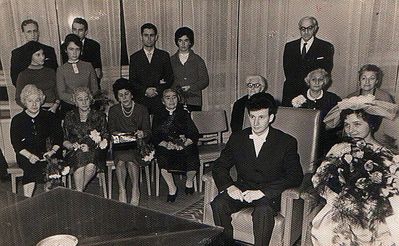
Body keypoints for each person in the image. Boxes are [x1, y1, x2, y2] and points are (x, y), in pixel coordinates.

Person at [211, 92, 303, 245]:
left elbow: (295, 175)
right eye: (252, 117)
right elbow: (219, 165)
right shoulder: (237, 138)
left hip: (268, 193)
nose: (256, 122)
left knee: (263, 211)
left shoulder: (286, 142)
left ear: (271, 118)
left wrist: (262, 192)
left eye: (261, 117)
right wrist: (229, 186)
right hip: (243, 188)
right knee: (218, 203)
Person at [312, 96, 399, 246]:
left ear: (371, 124)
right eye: (347, 125)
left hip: (376, 207)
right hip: (341, 204)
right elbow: (318, 178)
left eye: (357, 124)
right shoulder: (339, 150)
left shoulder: (386, 154)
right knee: (327, 231)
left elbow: (394, 186)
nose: (351, 130)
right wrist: (334, 197)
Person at [10, 84, 63, 197]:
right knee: (30, 168)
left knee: (52, 167)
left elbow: (59, 138)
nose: (34, 104)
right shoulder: (17, 120)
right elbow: (17, 144)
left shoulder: (50, 117)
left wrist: (52, 152)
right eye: (30, 101)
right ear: (24, 102)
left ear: (41, 101)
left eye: (37, 100)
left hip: (48, 152)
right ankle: (28, 201)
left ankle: (51, 200)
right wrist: (30, 156)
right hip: (26, 154)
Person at [152, 89, 200, 202]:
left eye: (174, 97)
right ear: (163, 101)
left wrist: (185, 143)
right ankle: (172, 188)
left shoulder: (183, 113)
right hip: (166, 145)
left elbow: (193, 132)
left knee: (192, 153)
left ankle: (189, 181)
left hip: (183, 144)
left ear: (178, 99)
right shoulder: (158, 115)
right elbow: (155, 134)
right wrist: (166, 144)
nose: (171, 100)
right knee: (162, 156)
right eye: (167, 98)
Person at [108, 78, 151, 205]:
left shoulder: (141, 109)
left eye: (126, 94)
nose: (124, 97)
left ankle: (135, 190)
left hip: (138, 144)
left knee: (132, 161)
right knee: (120, 162)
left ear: (132, 94)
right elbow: (111, 129)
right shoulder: (114, 110)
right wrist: (117, 135)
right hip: (120, 143)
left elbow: (148, 130)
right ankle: (122, 190)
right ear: (117, 97)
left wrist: (142, 133)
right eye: (120, 95)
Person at [63, 87, 109, 192]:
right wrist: (72, 145)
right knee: (79, 156)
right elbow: (65, 140)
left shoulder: (99, 115)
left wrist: (92, 146)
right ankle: (79, 192)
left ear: (90, 100)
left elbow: (105, 137)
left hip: (95, 150)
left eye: (86, 99)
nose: (84, 102)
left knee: (91, 166)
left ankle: (78, 192)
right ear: (75, 101)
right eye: (80, 99)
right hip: (75, 151)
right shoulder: (69, 116)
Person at [282, 16, 334, 106]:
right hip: (291, 92)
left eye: (309, 28)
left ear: (315, 28)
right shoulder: (290, 47)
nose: (306, 32)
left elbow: (325, 73)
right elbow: (288, 72)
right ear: (299, 29)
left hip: (313, 93)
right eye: (303, 28)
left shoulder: (325, 47)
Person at [291, 68, 341, 155]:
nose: (317, 82)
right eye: (313, 79)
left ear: (324, 82)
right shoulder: (298, 99)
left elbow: (338, 121)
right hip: (304, 140)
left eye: (320, 79)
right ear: (308, 81)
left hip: (326, 142)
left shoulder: (332, 99)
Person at [129, 23, 174, 114]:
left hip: (159, 100)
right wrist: (145, 90)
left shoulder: (164, 56)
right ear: (141, 37)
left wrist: (157, 90)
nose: (149, 39)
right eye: (146, 35)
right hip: (141, 100)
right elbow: (132, 81)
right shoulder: (134, 57)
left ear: (156, 37)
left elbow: (169, 78)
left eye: (151, 35)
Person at [57, 34, 98, 119]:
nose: (74, 53)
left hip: (88, 105)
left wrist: (85, 101)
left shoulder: (88, 66)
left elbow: (95, 89)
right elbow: (61, 94)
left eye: (77, 49)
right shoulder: (61, 69)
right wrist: (77, 101)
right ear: (65, 50)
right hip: (69, 107)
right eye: (71, 49)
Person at [170, 27, 209, 112]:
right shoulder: (171, 60)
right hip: (176, 101)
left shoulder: (198, 60)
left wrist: (191, 87)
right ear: (177, 42)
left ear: (190, 42)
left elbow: (204, 80)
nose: (183, 44)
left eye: (186, 40)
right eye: (180, 41)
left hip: (194, 101)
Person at [15, 41, 59, 113]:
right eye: (38, 55)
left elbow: (58, 93)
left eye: (43, 54)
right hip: (32, 111)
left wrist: (55, 106)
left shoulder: (51, 72)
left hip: (52, 109)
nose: (42, 57)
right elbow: (18, 98)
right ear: (30, 56)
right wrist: (32, 108)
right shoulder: (23, 75)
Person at [10, 19, 58, 86]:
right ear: (23, 34)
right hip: (28, 93)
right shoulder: (17, 53)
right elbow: (15, 80)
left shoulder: (49, 50)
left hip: (48, 90)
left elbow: (55, 74)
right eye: (29, 32)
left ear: (38, 32)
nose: (33, 34)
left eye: (35, 31)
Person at [61, 17, 103, 89]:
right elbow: (67, 68)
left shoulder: (94, 45)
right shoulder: (64, 46)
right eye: (74, 30)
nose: (77, 33)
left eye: (80, 30)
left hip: (90, 85)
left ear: (86, 32)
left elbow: (97, 70)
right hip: (73, 85)